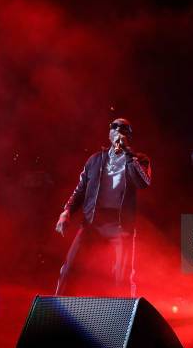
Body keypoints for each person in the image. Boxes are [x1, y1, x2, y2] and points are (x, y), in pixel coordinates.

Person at [54, 118, 151, 297]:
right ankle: (57, 311)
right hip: (93, 222)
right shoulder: (95, 160)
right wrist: (66, 211)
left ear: (129, 135)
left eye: (123, 128)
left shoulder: (139, 160)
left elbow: (144, 182)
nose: (118, 130)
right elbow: (80, 189)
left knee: (122, 276)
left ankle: (123, 317)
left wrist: (128, 155)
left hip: (120, 225)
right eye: (114, 127)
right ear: (109, 133)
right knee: (69, 269)